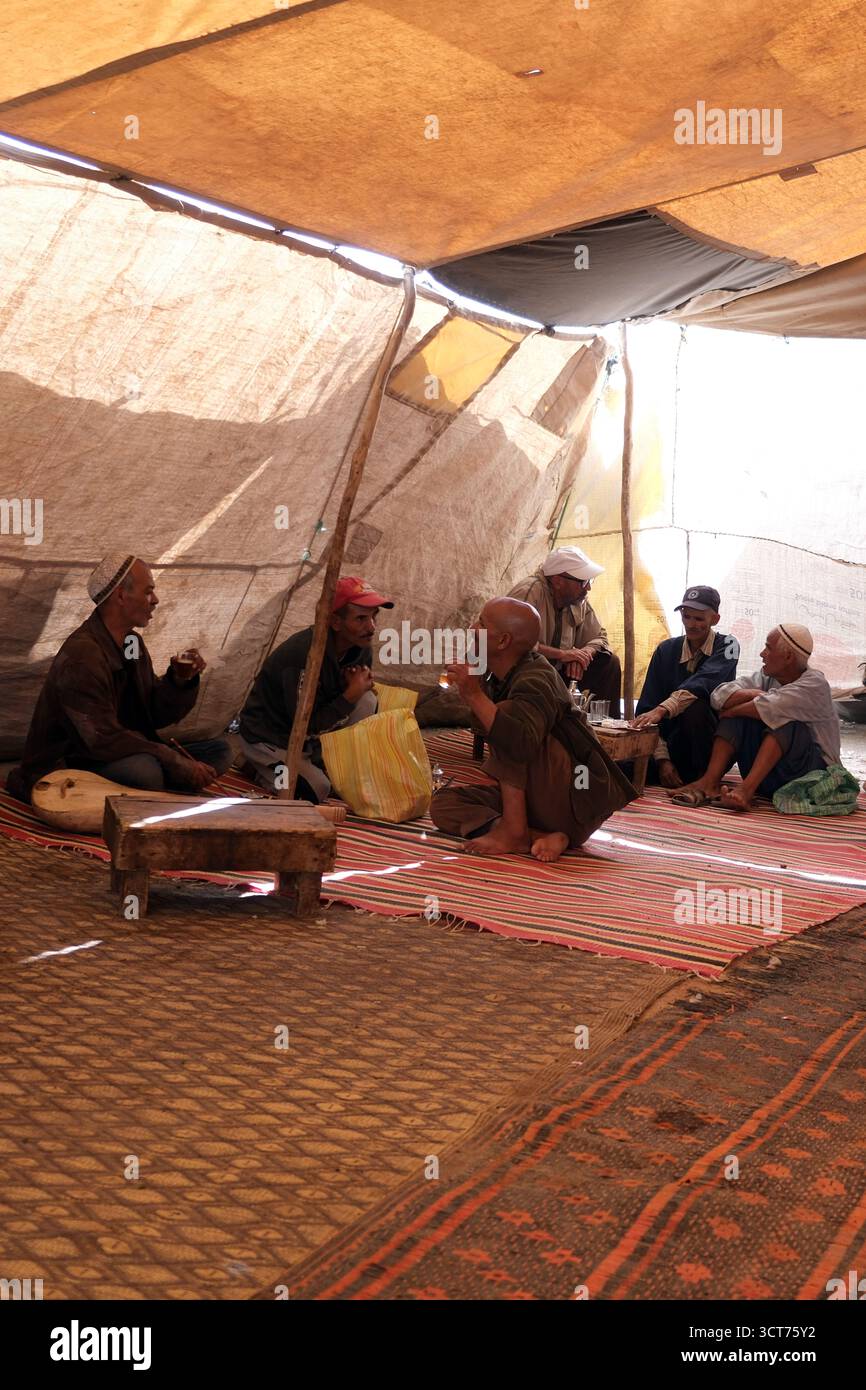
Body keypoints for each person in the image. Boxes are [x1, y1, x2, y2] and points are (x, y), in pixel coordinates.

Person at [7, 553, 231, 802]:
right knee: (146, 772)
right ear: (122, 596)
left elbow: (153, 714)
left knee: (220, 751)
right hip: (74, 760)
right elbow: (101, 740)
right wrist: (168, 757)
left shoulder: (132, 642)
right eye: (148, 592)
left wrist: (179, 681)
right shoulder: (82, 657)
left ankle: (159, 790)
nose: (155, 600)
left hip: (125, 751)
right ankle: (161, 789)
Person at [430, 597, 635, 861]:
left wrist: (474, 695)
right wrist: (478, 688)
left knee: (507, 718)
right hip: (540, 800)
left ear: (503, 641)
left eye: (481, 623)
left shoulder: (535, 678)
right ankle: (536, 835)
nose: (471, 627)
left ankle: (515, 832)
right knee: (444, 805)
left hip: (576, 798)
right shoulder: (495, 669)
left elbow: (517, 742)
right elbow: (483, 728)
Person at [238, 576, 392, 799]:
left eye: (373, 617)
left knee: (367, 701)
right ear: (335, 622)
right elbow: (304, 726)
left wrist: (355, 693)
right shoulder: (302, 656)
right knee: (313, 790)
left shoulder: (361, 648)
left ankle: (320, 762)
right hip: (272, 739)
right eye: (361, 619)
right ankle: (257, 768)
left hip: (314, 737)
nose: (371, 627)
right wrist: (349, 695)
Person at [670, 623, 841, 812]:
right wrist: (752, 695)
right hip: (773, 777)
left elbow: (768, 708)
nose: (762, 654)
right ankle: (709, 783)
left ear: (788, 657)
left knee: (784, 722)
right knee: (741, 715)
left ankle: (745, 790)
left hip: (811, 776)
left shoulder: (815, 684)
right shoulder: (766, 677)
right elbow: (718, 696)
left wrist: (732, 710)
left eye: (768, 647)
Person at [631, 585, 739, 788]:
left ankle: (704, 781)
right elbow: (648, 708)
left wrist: (663, 709)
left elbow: (704, 682)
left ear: (715, 619)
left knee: (695, 706)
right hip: (673, 747)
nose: (691, 624)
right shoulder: (665, 650)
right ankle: (675, 772)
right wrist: (663, 761)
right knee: (623, 768)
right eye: (687, 616)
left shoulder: (730, 646)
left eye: (699, 619)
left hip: (710, 747)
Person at [508, 545, 622, 715]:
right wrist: (563, 655)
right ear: (558, 581)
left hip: (558, 673)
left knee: (609, 662)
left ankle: (601, 729)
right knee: (536, 670)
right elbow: (512, 642)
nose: (588, 588)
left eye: (590, 581)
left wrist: (582, 654)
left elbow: (600, 637)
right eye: (583, 582)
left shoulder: (578, 599)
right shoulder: (530, 592)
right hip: (526, 674)